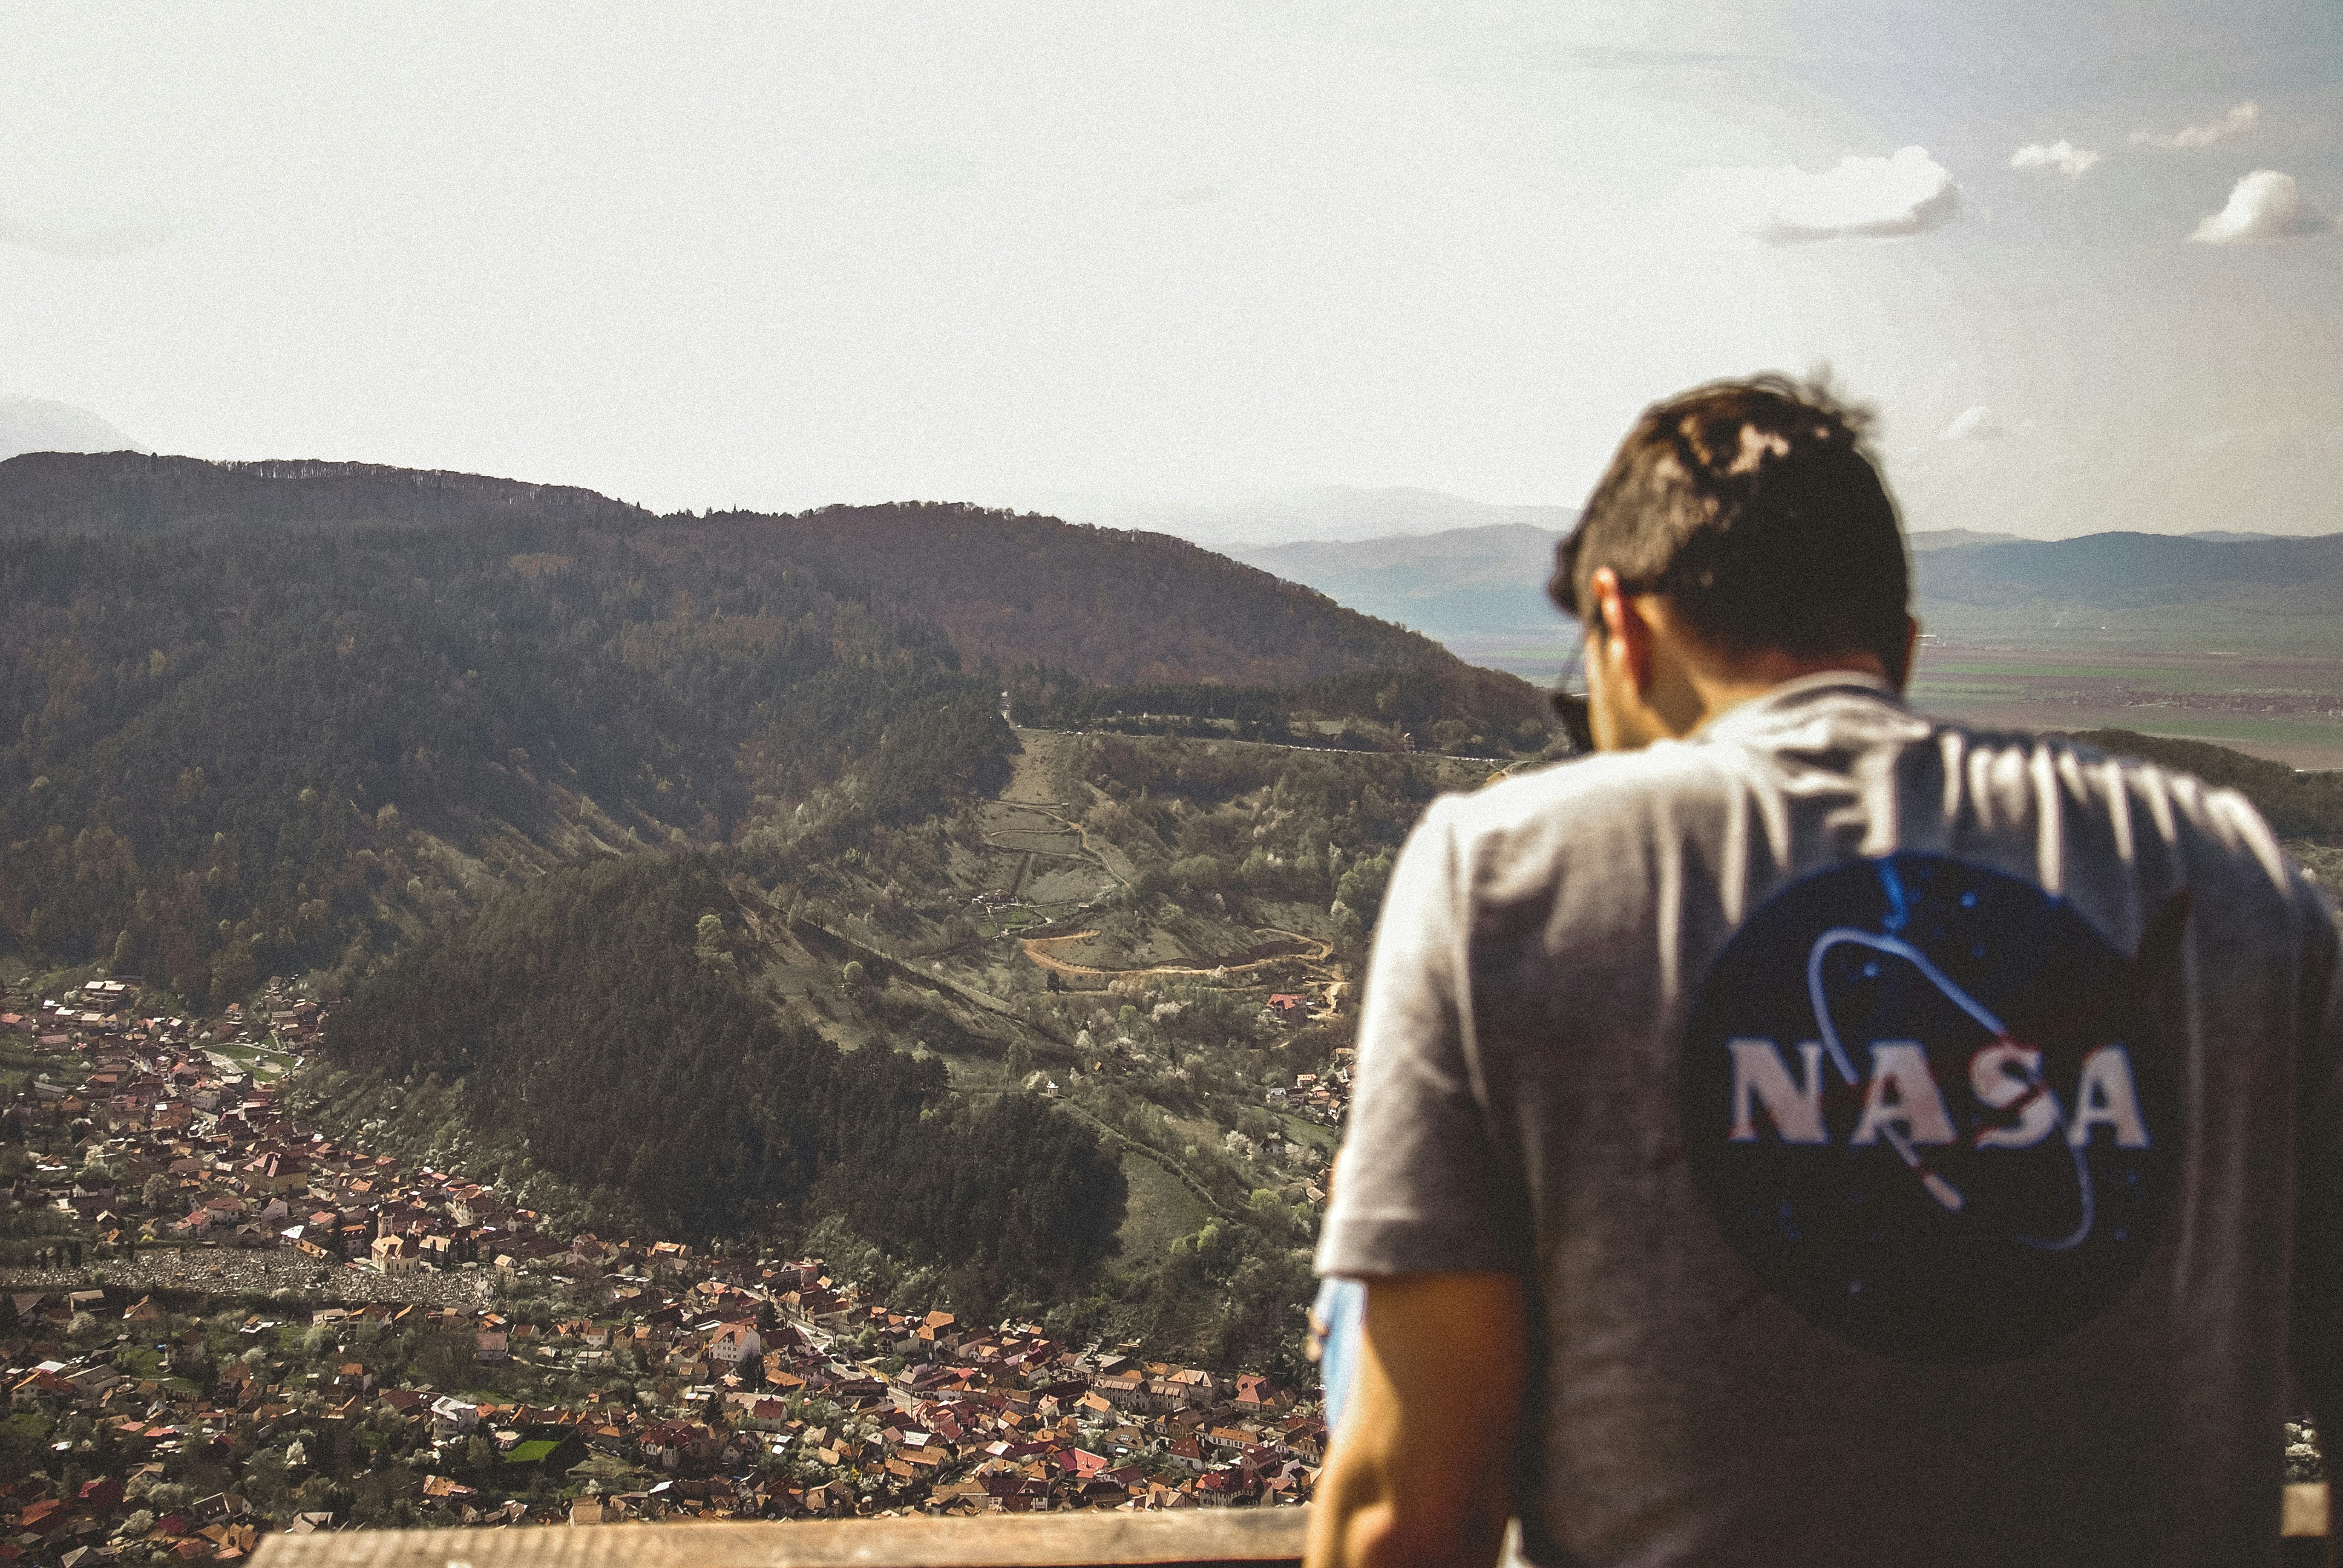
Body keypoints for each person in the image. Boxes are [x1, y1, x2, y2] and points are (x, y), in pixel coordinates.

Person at [1305, 375, 2343, 1568]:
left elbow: (1406, 1518)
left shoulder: (1503, 874)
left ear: (1618, 628)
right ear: (1897, 652)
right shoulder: (2228, 876)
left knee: (1381, 1242)